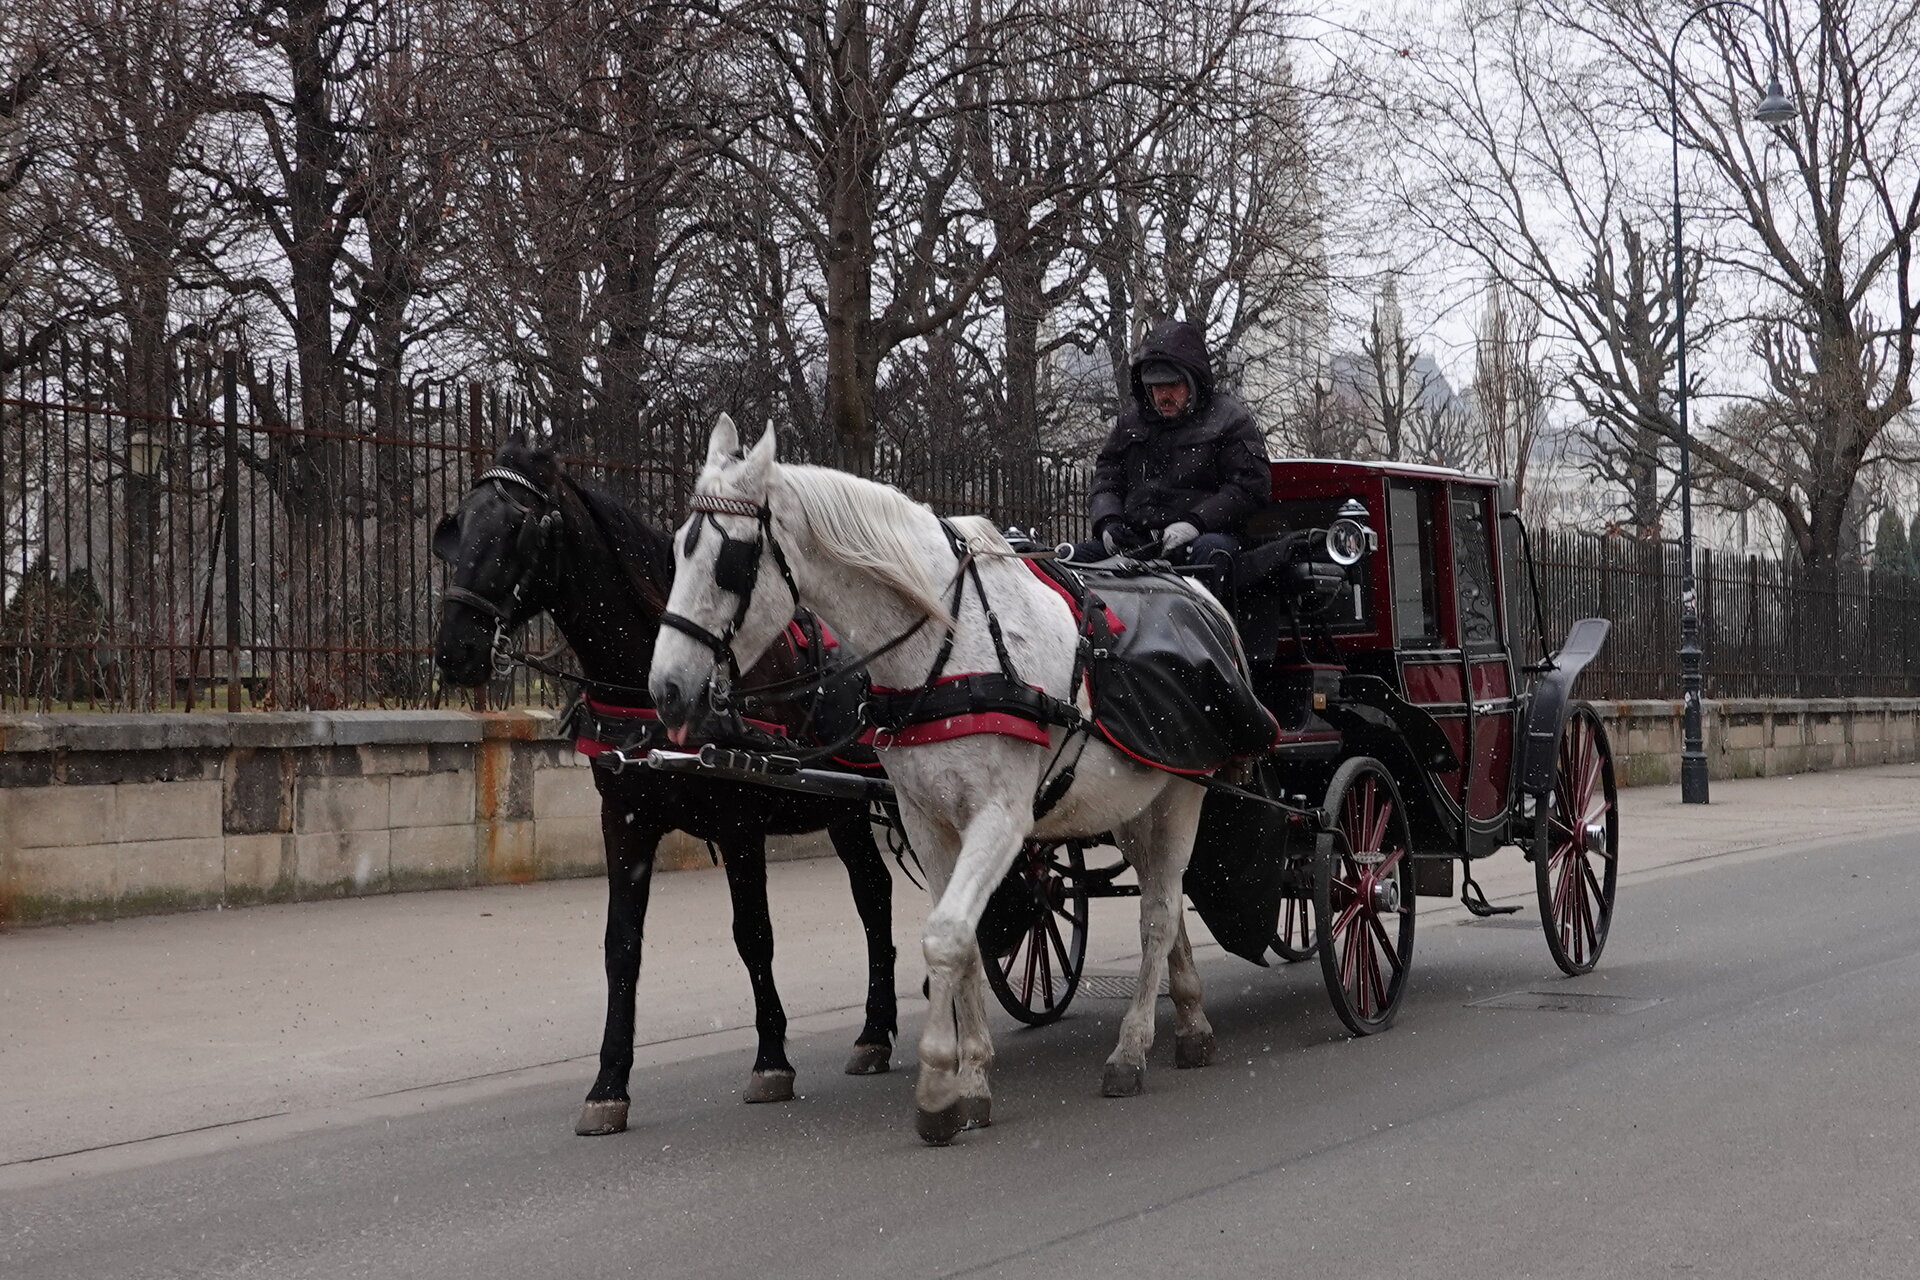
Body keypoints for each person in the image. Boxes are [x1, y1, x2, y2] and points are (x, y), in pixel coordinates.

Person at [1072, 319, 1271, 581]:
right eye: (1155, 387)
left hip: (1208, 537)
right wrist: (1108, 523)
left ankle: (1210, 621)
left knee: (1210, 553)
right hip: (1139, 540)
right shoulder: (1130, 423)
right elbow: (1107, 479)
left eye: (1172, 385)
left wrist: (1196, 522)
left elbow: (1249, 487)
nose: (1162, 395)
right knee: (1071, 561)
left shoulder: (1230, 419)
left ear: (1193, 381)